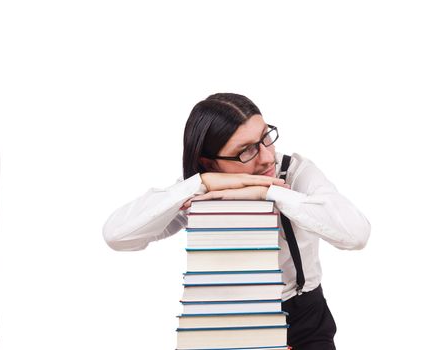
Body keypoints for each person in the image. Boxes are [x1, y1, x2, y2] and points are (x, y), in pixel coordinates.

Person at [103, 93, 370, 350]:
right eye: (247, 151)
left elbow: (356, 234)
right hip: (227, 321)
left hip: (303, 317)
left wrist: (268, 191)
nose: (267, 157)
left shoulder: (296, 172)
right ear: (210, 162)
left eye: (266, 137)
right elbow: (117, 235)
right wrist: (199, 183)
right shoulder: (199, 192)